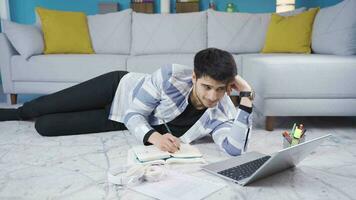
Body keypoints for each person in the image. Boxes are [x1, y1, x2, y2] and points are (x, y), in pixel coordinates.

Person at [0, 48, 254, 156]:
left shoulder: (222, 110)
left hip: (120, 122)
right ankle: (13, 114)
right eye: (207, 87)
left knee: (44, 126)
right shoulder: (170, 76)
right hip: (117, 89)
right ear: (195, 76)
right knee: (39, 108)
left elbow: (235, 149)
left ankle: (32, 118)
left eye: (221, 90)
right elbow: (135, 112)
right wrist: (154, 137)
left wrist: (246, 99)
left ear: (229, 87)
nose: (212, 96)